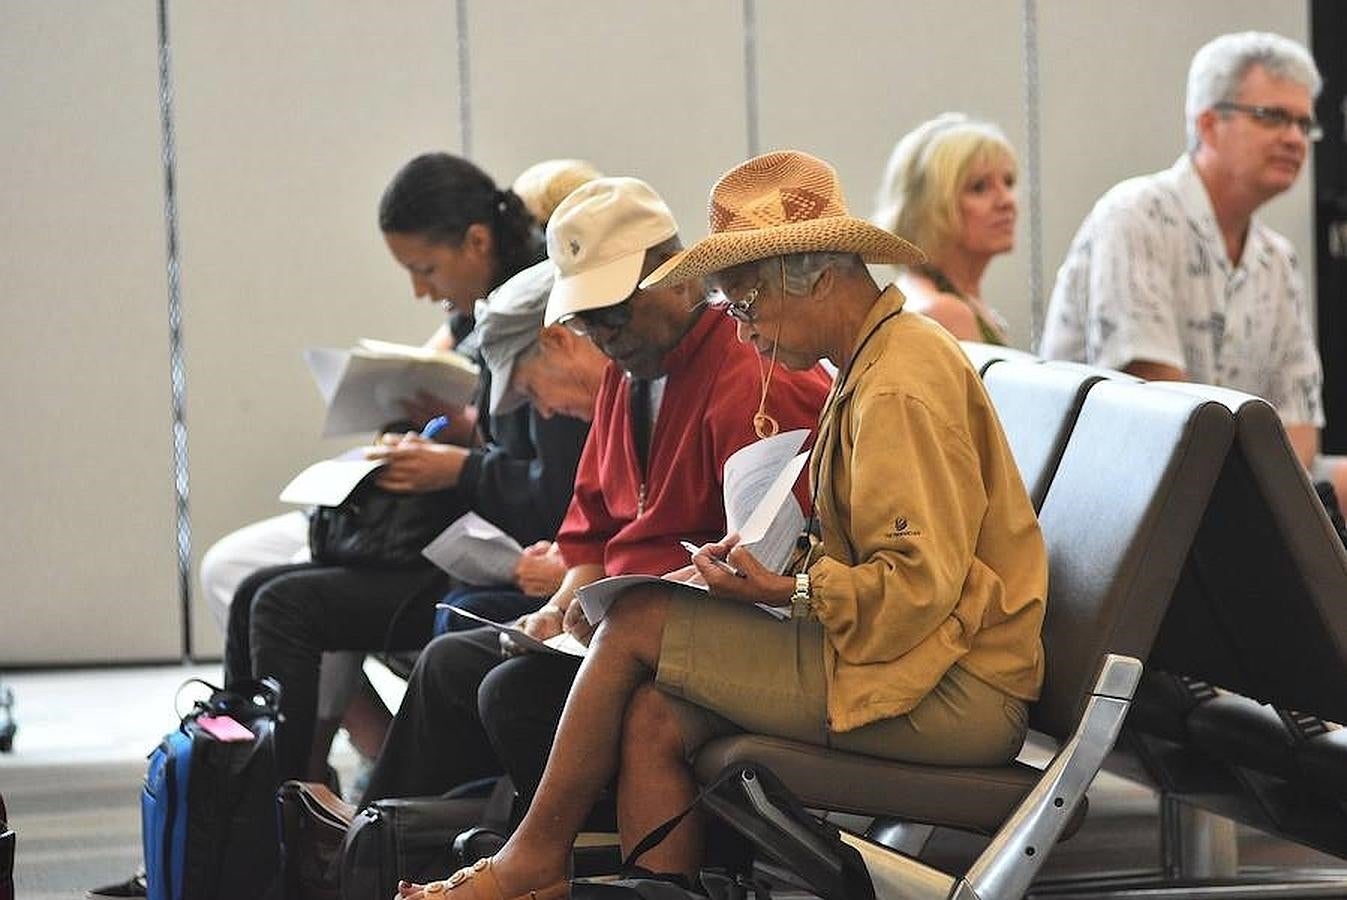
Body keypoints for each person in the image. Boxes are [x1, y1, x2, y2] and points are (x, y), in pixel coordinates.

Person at [397, 151, 1047, 899]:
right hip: (918, 660)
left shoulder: (897, 383)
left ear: (813, 277)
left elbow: (915, 589)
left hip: (952, 687)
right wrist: (768, 574)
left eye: (745, 305)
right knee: (655, 714)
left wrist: (790, 586)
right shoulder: (874, 360)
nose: (740, 331)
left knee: (635, 617)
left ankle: (531, 860)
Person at [357, 176, 832, 809]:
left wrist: (621, 611)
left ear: (681, 278)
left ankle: (520, 850)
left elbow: (771, 562)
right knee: (451, 664)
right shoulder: (632, 372)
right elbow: (593, 530)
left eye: (614, 312)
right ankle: (389, 836)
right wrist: (558, 608)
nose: (605, 335)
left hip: (696, 631)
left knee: (511, 694)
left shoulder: (752, 377)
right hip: (624, 623)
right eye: (587, 322)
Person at [222, 154, 596, 786]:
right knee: (257, 593)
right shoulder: (495, 312)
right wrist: (458, 439)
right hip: (477, 541)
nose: (421, 289)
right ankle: (242, 816)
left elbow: (557, 495)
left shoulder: (547, 324)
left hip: (494, 547)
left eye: (426, 268)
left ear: (478, 241)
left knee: (283, 604)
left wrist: (459, 469)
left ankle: (290, 816)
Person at [1039, 32, 1344, 502]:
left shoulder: (1278, 258)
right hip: (1122, 489)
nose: (1294, 138)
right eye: (1273, 117)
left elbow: (1301, 424)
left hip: (1235, 483)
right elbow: (1164, 412)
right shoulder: (1136, 215)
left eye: (1304, 124)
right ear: (1207, 124)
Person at [873, 112, 1018, 345]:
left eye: (1009, 182)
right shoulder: (945, 312)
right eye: (979, 188)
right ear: (930, 205)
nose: (1006, 200)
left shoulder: (941, 298)